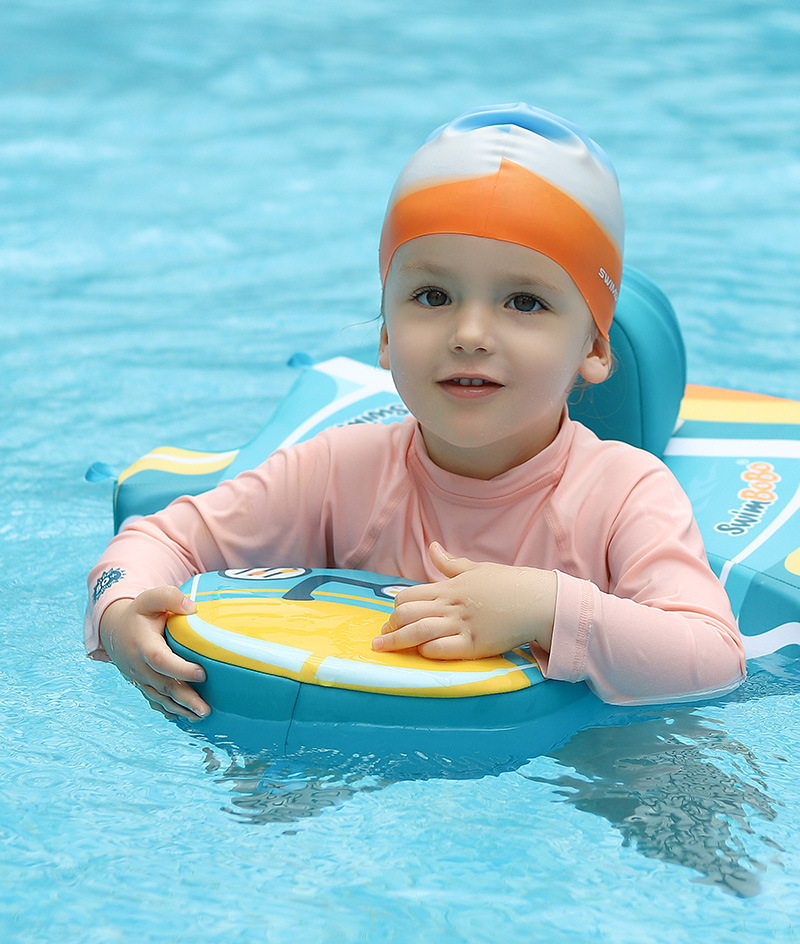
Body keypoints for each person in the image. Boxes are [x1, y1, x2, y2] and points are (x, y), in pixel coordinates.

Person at [85, 103, 745, 721]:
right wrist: (119, 614)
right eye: (433, 296)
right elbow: (159, 541)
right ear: (385, 336)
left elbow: (715, 657)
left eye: (524, 302)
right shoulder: (339, 474)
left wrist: (547, 609)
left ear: (594, 348)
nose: (470, 334)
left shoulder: (624, 494)